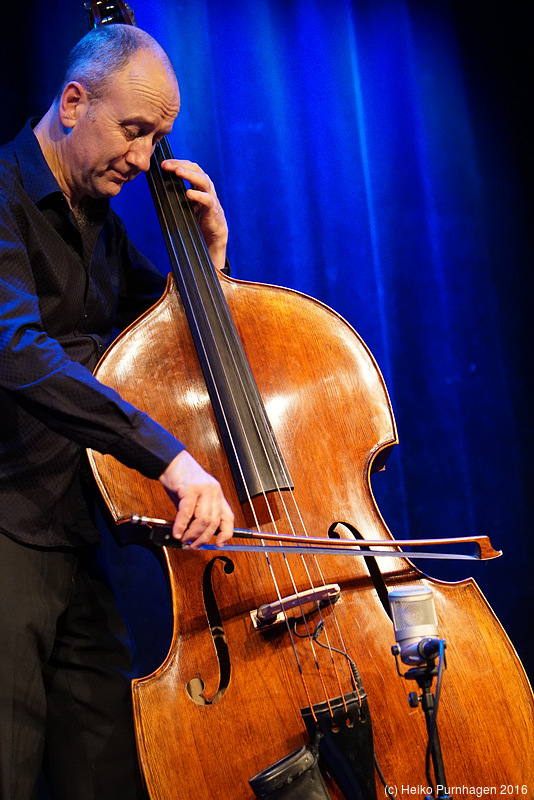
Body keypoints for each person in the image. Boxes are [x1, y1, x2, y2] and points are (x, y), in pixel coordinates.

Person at [0, 22, 234, 800]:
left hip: (73, 534)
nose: (144, 159)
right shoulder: (2, 197)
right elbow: (22, 354)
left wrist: (206, 261)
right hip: (5, 532)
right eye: (135, 131)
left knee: (109, 773)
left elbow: (160, 338)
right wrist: (170, 457)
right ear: (73, 102)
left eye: (157, 138)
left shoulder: (100, 225)